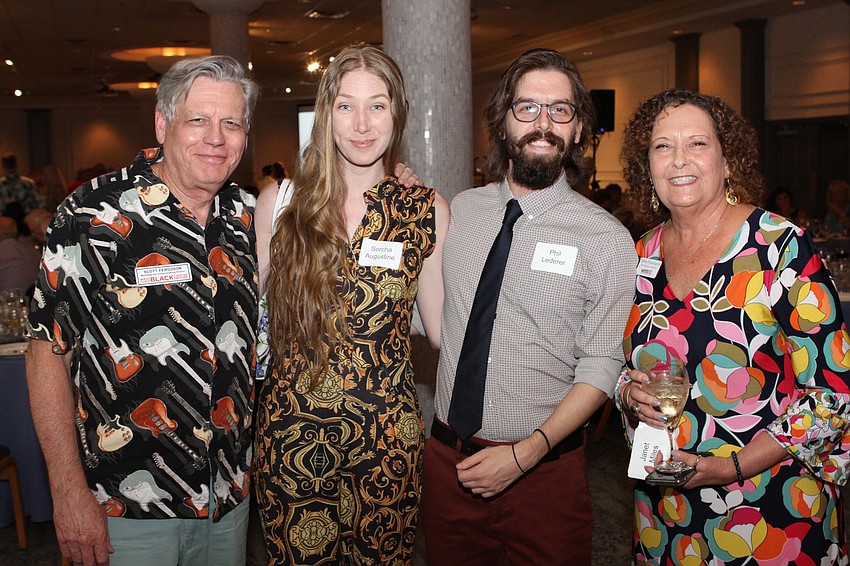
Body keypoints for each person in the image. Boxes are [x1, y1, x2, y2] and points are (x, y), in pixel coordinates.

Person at [26, 55, 259, 566]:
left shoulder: (248, 217)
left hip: (229, 499)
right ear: (162, 123)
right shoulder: (93, 215)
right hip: (125, 507)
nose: (215, 138)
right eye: (198, 120)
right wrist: (67, 493)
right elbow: (46, 354)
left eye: (231, 123)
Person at [617, 88, 850, 564]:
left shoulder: (780, 247)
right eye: (662, 146)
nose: (679, 159)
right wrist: (628, 394)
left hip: (771, 506)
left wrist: (732, 467)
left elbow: (834, 393)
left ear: (728, 161)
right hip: (665, 507)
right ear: (648, 167)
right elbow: (625, 364)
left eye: (697, 143)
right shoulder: (639, 254)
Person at [422, 47, 636, 565]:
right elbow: (434, 311)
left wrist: (526, 453)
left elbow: (602, 363)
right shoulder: (463, 211)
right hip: (448, 462)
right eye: (527, 108)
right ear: (503, 122)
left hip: (545, 475)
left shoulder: (606, 239)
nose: (544, 123)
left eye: (560, 110)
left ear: (579, 128)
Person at [253, 45, 448, 565]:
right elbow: (244, 311)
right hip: (292, 434)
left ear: (397, 112)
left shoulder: (424, 209)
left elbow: (440, 331)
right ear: (326, 114)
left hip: (387, 437)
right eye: (346, 106)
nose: (362, 124)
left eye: (377, 105)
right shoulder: (282, 203)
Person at [0, 216, 39, 293]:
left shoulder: (2, 253)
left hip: (8, 298)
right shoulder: (34, 251)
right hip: (36, 297)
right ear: (15, 231)